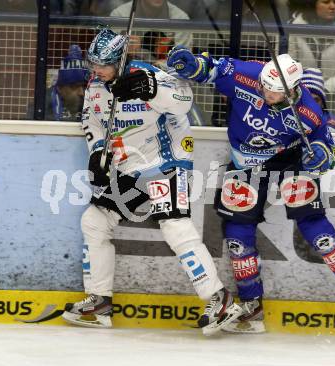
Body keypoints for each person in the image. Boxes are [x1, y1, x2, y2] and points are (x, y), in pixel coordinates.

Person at [167, 46, 335, 333]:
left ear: (293, 90)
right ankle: (251, 305)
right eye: (265, 87)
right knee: (237, 234)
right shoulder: (249, 75)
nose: (267, 94)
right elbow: (212, 68)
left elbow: (327, 149)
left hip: (290, 159)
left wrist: (319, 155)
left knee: (316, 229)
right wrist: (194, 65)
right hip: (246, 162)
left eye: (275, 91)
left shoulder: (308, 111)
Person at [61, 28, 243, 335]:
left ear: (120, 60)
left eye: (103, 64)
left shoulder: (146, 75)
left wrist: (150, 89)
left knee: (175, 227)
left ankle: (219, 298)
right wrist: (96, 153)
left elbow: (184, 100)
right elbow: (92, 121)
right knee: (94, 222)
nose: (96, 70)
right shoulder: (95, 85)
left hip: (164, 164)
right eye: (93, 63)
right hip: (129, 168)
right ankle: (100, 300)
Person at [288, 0, 335, 117]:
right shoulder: (296, 25)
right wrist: (308, 87)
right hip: (304, 90)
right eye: (326, 2)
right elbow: (291, 64)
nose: (332, 6)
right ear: (313, 4)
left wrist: (325, 89)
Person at [110, 0, 192, 60]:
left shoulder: (180, 18)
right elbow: (105, 55)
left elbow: (184, 59)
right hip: (127, 72)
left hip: (166, 75)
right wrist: (122, 49)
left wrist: (156, 66)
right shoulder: (120, 15)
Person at [302, 68, 335, 133]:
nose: (311, 105)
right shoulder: (286, 119)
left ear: (322, 102)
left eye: (316, 100)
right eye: (307, 99)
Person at [48, 45, 88, 121]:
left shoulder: (91, 105)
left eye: (84, 86)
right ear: (60, 88)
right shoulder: (44, 107)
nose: (82, 93)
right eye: (75, 87)